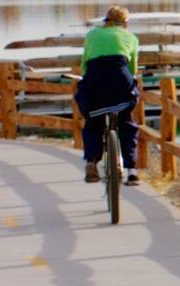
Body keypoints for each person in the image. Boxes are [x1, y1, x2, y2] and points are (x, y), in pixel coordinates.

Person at [75, 5, 141, 185]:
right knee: (127, 124)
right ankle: (132, 171)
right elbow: (132, 68)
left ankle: (91, 162)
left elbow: (85, 64)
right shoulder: (131, 38)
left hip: (95, 84)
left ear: (106, 20)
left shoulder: (92, 35)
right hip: (120, 83)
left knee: (93, 124)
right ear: (125, 23)